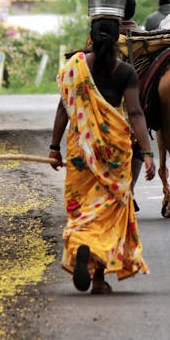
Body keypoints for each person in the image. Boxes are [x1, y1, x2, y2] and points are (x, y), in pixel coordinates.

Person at [49, 17, 155, 294]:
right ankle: (98, 278)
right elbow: (135, 113)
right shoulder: (126, 72)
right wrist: (148, 152)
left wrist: (53, 147)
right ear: (119, 37)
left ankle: (83, 243)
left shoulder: (74, 68)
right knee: (109, 210)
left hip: (80, 152)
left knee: (82, 209)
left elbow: (63, 110)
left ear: (91, 37)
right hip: (115, 152)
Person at [120, 0, 144, 210]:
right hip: (135, 105)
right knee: (136, 148)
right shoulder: (145, 39)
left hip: (105, 105)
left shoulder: (98, 40)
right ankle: (130, 189)